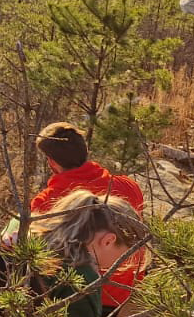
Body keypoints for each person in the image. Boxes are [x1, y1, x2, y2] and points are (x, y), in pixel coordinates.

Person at [31, 122, 145, 311]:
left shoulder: (46, 203)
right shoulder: (128, 187)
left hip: (79, 298)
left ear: (51, 162)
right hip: (128, 297)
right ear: (85, 150)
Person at [32, 190, 146, 317]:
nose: (119, 264)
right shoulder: (82, 280)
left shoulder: (26, 239)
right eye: (124, 256)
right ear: (108, 241)